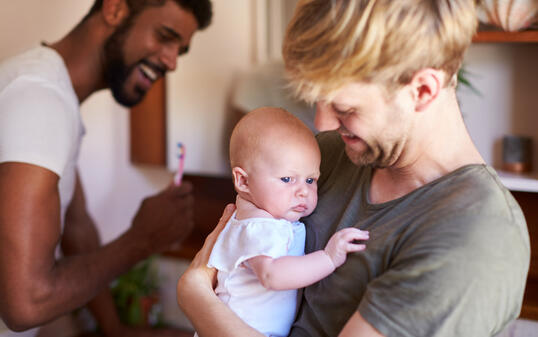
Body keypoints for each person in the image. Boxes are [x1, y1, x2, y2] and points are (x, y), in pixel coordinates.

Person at [176, 0, 530, 336]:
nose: (322, 122)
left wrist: (195, 298)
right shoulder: (328, 157)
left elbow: (204, 281)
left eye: (345, 108)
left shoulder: (476, 237)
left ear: (422, 90)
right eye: (318, 100)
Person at [0, 0, 212, 336]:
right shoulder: (41, 98)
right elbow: (26, 303)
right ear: (114, 9)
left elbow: (77, 228)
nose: (172, 63)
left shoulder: (50, 93)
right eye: (164, 36)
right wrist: (140, 241)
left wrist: (115, 330)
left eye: (179, 51)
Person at [202, 107, 368, 337]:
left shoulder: (263, 219)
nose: (303, 191)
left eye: (310, 179)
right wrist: (328, 258)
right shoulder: (258, 226)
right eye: (287, 179)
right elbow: (272, 275)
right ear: (244, 181)